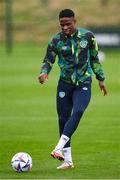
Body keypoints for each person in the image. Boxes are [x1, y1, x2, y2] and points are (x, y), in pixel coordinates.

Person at [38, 9, 107, 170]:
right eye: (62, 24)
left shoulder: (88, 37)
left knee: (78, 111)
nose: (65, 27)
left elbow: (95, 58)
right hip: (64, 84)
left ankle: (58, 148)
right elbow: (48, 60)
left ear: (75, 21)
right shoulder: (56, 40)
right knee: (63, 119)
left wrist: (101, 79)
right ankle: (68, 161)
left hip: (83, 82)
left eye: (68, 24)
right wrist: (44, 72)